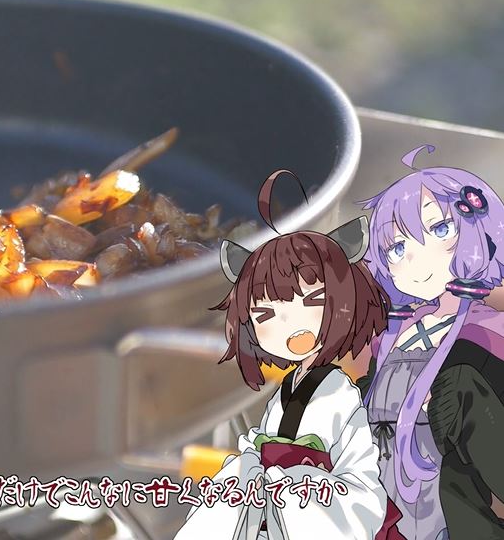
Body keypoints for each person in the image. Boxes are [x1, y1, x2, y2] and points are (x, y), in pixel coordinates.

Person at [176, 169, 398, 540]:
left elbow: (356, 474)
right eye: (265, 314)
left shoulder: (340, 393)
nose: (292, 327)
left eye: (314, 302)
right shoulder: (290, 386)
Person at [359, 144, 504, 539]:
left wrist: (453, 400)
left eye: (439, 230)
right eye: (396, 248)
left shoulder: (486, 332)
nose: (414, 258)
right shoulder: (392, 336)